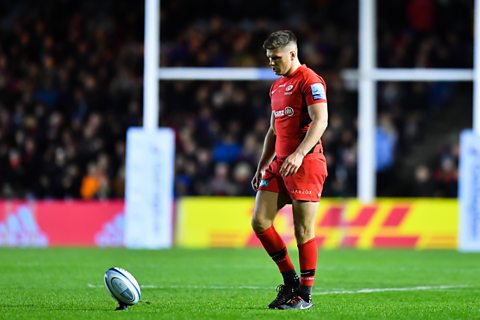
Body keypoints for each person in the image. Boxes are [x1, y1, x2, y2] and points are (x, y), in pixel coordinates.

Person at [251, 30, 328, 310]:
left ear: (293, 54)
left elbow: (321, 121)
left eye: (276, 58)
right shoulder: (276, 87)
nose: (272, 63)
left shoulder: (310, 80)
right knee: (260, 222)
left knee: (303, 230)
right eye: (269, 59)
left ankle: (305, 296)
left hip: (305, 163)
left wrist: (298, 153)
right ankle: (290, 281)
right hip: (278, 164)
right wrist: (262, 165)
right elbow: (273, 129)